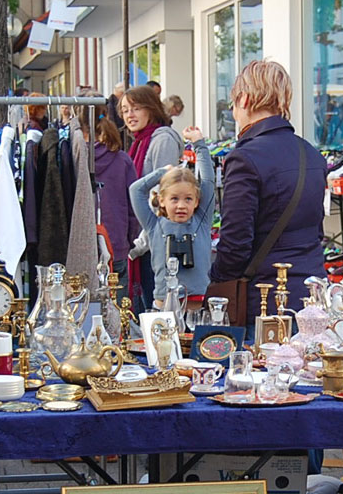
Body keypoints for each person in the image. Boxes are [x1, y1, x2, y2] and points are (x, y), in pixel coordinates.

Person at [209, 59, 327, 327]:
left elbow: (236, 242)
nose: (234, 113)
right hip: (313, 293)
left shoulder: (245, 157)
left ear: (245, 99)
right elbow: (315, 229)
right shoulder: (311, 154)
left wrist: (217, 277)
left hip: (264, 299)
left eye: (234, 104)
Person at [128, 126, 215, 304]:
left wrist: (199, 144)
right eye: (174, 199)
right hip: (164, 304)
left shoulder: (202, 221)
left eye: (188, 199)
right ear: (162, 200)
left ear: (197, 201)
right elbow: (135, 190)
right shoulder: (154, 225)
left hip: (197, 305)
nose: (181, 206)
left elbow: (207, 181)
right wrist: (163, 172)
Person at [93, 116, 139, 294]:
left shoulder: (76, 158)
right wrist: (129, 238)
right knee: (118, 310)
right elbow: (132, 205)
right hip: (117, 243)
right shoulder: (123, 160)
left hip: (84, 245)